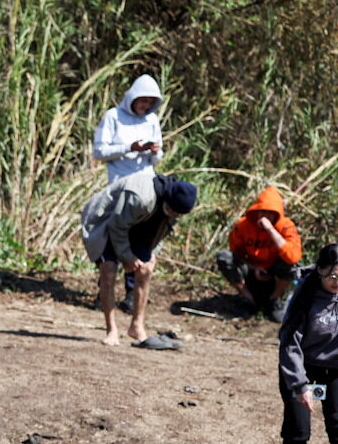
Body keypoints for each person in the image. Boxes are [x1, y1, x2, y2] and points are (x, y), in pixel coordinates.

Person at [80, 173, 198, 348]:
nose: (175, 215)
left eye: (179, 214)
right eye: (174, 212)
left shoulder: (174, 205)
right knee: (109, 270)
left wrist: (151, 255)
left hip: (134, 225)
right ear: (168, 201)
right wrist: (127, 257)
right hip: (106, 221)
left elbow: (161, 231)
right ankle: (111, 330)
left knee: (146, 269)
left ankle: (137, 325)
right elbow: (117, 227)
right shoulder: (141, 197)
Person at [93, 74, 165, 314]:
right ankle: (105, 290)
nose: (145, 106)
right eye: (141, 101)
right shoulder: (113, 117)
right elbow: (100, 151)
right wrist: (128, 148)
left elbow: (157, 157)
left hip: (145, 187)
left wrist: (153, 151)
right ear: (132, 98)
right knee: (113, 236)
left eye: (149, 102)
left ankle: (133, 292)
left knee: (141, 238)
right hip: (119, 186)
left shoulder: (152, 120)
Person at [275, 244, 338, 444]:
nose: (337, 282)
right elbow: (290, 344)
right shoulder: (304, 297)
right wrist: (300, 386)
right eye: (333, 275)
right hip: (302, 370)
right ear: (321, 270)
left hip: (333, 370)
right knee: (298, 428)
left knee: (337, 426)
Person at [216, 186, 301, 322]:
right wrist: (254, 267)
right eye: (262, 212)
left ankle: (274, 301)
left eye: (270, 213)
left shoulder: (286, 226)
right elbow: (235, 254)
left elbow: (293, 257)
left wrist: (270, 229)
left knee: (292, 265)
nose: (264, 217)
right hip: (252, 272)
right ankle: (247, 299)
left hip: (274, 276)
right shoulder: (243, 226)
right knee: (224, 257)